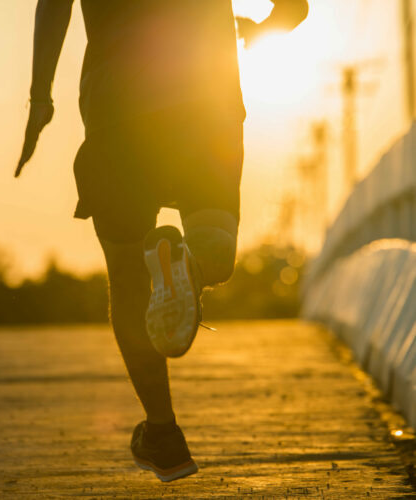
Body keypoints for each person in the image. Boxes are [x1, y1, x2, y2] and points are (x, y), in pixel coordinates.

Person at [16, 0, 309, 482]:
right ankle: (191, 266)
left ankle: (163, 434)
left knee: (129, 276)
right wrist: (263, 30)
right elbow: (294, 8)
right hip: (205, 103)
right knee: (215, 247)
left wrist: (40, 98)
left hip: (117, 105)